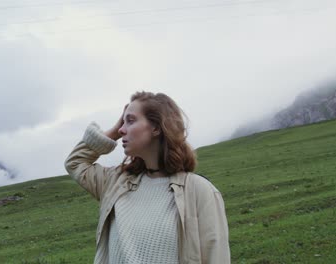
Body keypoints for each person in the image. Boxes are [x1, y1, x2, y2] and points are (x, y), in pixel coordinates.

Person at [65, 91, 230, 264]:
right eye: (122, 122)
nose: (122, 129)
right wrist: (113, 132)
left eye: (130, 120)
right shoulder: (115, 183)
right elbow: (75, 163)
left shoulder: (198, 190)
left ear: (156, 128)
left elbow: (215, 257)